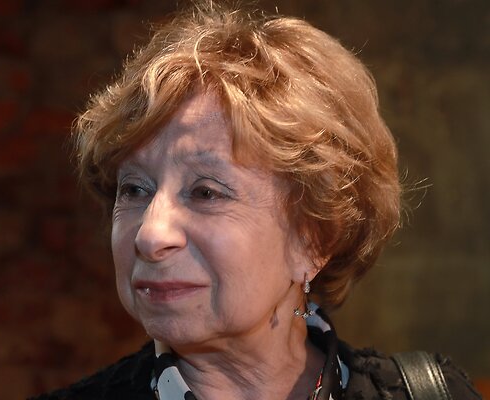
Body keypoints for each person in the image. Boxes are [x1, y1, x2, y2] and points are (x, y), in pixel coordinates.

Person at [32, 1, 482, 399]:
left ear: (315, 238)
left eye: (205, 192)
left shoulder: (432, 394)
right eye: (134, 189)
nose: (151, 234)